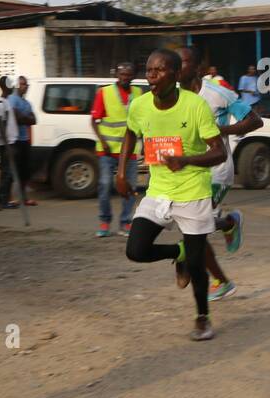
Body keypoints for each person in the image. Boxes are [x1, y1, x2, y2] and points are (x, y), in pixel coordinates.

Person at [116, 48, 227, 342]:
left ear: (176, 75)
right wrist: (120, 171)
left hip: (192, 192)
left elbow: (219, 152)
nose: (151, 75)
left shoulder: (195, 106)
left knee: (196, 264)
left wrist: (186, 159)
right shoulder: (140, 106)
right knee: (135, 250)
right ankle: (176, 253)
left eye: (159, 70)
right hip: (159, 191)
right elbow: (130, 133)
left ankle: (202, 318)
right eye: (149, 69)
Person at [178, 47, 261, 302]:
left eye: (184, 62)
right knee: (189, 225)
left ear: (198, 68)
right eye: (175, 63)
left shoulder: (218, 93)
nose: (177, 67)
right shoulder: (173, 97)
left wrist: (219, 130)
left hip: (216, 170)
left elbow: (254, 120)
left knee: (194, 230)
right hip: (189, 171)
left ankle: (212, 277)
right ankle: (228, 224)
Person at [91, 62, 143, 236]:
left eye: (128, 75)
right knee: (105, 185)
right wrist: (103, 141)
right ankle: (104, 221)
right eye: (122, 74)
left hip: (129, 152)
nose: (125, 78)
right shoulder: (103, 93)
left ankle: (125, 222)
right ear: (116, 75)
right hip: (107, 150)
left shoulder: (138, 93)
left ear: (133, 76)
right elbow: (94, 120)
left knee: (131, 187)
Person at [9, 76, 38, 206]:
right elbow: (15, 117)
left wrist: (24, 117)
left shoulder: (27, 103)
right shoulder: (12, 99)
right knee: (12, 169)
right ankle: (8, 197)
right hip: (15, 140)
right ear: (16, 85)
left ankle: (23, 197)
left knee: (24, 171)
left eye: (26, 84)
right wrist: (26, 118)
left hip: (25, 139)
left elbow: (34, 120)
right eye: (22, 84)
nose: (25, 86)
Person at [0, 76, 19, 208]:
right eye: (9, 86)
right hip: (6, 144)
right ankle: (2, 201)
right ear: (4, 87)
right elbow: (1, 125)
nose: (11, 88)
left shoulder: (7, 101)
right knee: (6, 173)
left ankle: (4, 199)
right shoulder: (0, 104)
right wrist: (7, 144)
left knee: (8, 173)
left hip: (11, 141)